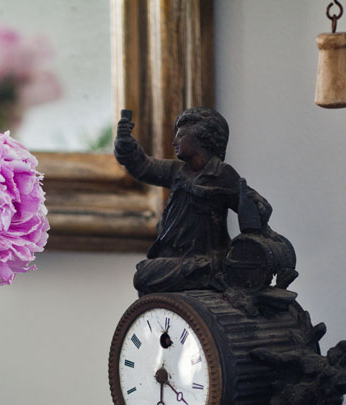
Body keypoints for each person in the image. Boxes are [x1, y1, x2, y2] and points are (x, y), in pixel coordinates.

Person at [115, 107, 270, 294]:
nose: (174, 142)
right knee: (144, 274)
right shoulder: (176, 171)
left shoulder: (222, 175)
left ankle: (211, 275)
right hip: (174, 259)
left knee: (144, 277)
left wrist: (254, 210)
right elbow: (143, 166)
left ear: (201, 137)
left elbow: (257, 210)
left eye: (180, 136)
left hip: (204, 261)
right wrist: (125, 144)